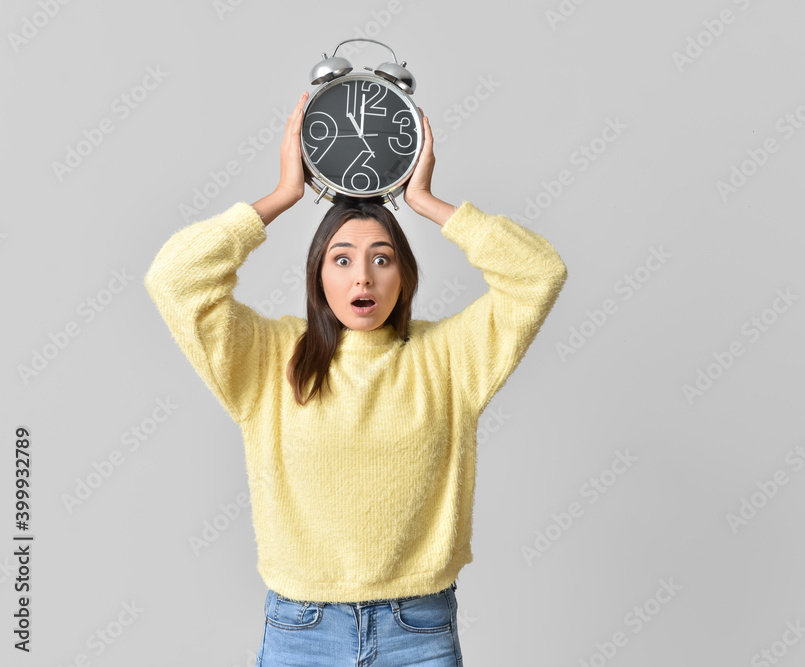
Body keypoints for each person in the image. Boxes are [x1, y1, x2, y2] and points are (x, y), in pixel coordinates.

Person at [144, 90, 568, 665]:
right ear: (319, 276)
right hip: (303, 630)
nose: (362, 276)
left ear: (403, 274)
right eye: (341, 259)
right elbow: (175, 279)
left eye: (382, 257)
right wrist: (281, 196)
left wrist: (425, 201)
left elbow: (539, 273)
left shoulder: (448, 357)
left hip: (417, 629)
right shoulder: (269, 357)